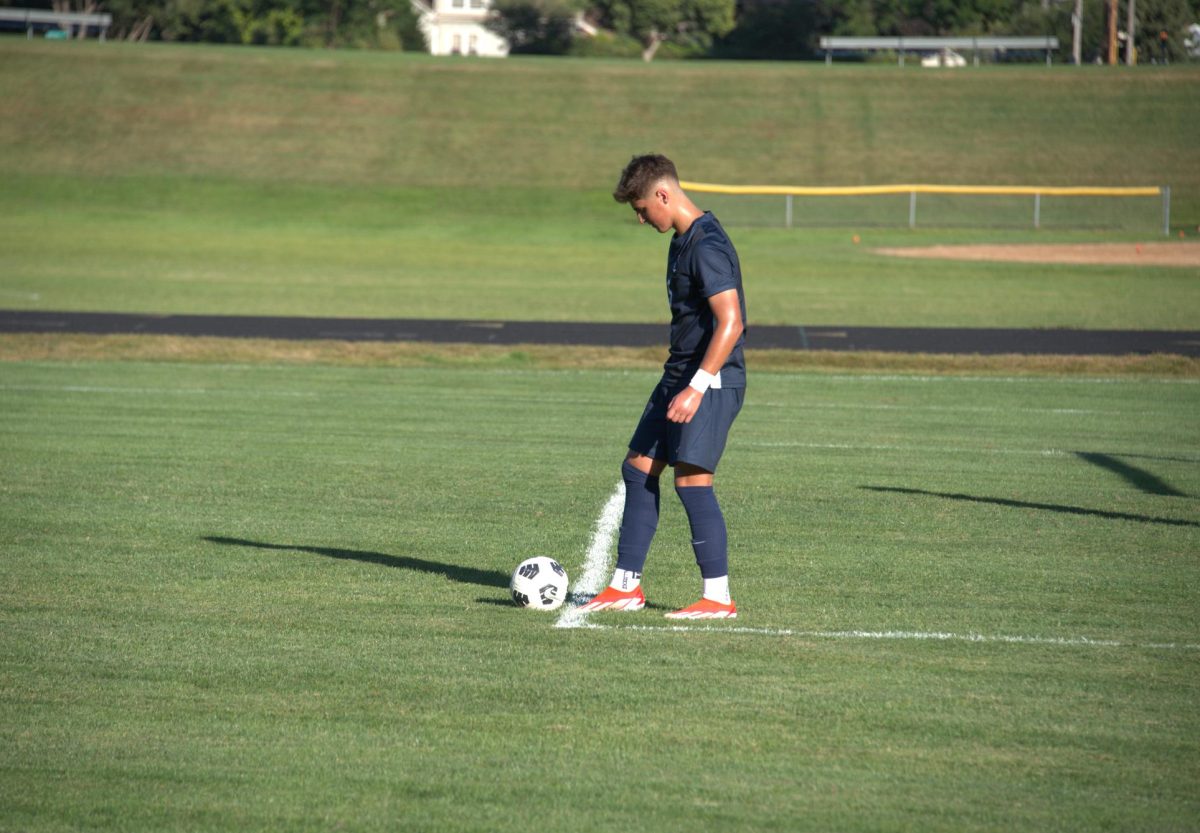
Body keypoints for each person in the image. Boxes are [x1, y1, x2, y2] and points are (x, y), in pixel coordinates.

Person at [581, 154, 748, 620]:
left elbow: (730, 323)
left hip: (709, 380)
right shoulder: (680, 239)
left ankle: (717, 598)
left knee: (692, 480)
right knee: (638, 467)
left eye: (641, 209)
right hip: (678, 375)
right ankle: (625, 586)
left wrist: (696, 386)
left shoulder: (706, 245)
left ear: (663, 194)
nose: (640, 219)